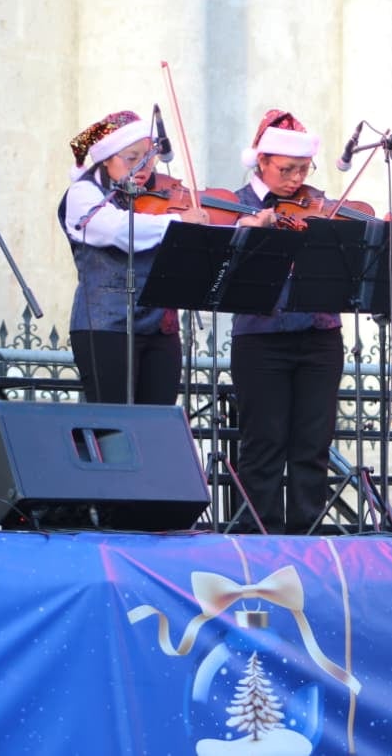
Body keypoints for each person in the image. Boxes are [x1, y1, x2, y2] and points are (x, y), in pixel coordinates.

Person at [228, 109, 343, 535]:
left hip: (320, 332)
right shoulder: (235, 205)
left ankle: (307, 526)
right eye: (286, 170)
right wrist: (248, 229)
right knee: (263, 440)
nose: (296, 179)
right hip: (261, 336)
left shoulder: (318, 204)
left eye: (303, 169)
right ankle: (259, 527)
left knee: (314, 440)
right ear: (261, 163)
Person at [61, 109, 210, 404]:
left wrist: (244, 224)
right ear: (106, 158)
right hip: (106, 326)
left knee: (157, 422)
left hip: (160, 328)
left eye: (150, 157)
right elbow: (115, 230)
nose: (144, 166)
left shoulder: (157, 197)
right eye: (132, 158)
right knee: (113, 423)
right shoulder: (83, 194)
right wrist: (178, 223)